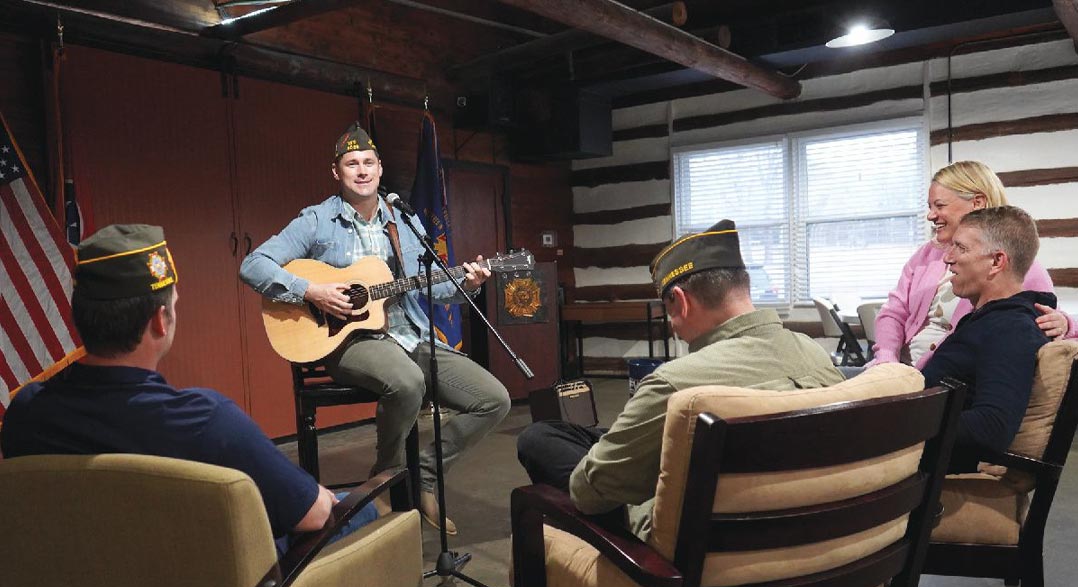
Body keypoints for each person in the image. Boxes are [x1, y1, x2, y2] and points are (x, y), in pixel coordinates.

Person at [1, 224, 374, 553]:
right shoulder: (207, 422)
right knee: (363, 509)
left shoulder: (26, 413)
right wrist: (325, 498)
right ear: (160, 321)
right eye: (173, 305)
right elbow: (313, 514)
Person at [240, 122, 510, 535]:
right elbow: (253, 264)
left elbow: (434, 286)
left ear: (381, 169)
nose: (362, 170)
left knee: (494, 399)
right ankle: (386, 479)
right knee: (407, 382)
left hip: (409, 335)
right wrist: (311, 291)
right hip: (348, 341)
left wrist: (466, 284)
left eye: (368, 162)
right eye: (352, 164)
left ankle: (423, 476)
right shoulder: (316, 221)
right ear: (337, 172)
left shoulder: (405, 221)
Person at [516, 220, 845, 539]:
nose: (672, 325)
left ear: (680, 300)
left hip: (689, 548)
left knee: (538, 439)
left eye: (667, 307)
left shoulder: (675, 385)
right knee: (574, 434)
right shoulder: (816, 355)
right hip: (808, 523)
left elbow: (590, 495)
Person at [872, 160, 1075, 369]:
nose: (930, 215)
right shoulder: (926, 254)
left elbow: (1054, 319)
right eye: (930, 207)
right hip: (897, 371)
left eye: (940, 205)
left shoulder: (1021, 267)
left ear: (977, 203)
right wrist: (886, 359)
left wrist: (1065, 324)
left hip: (938, 381)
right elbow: (893, 313)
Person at [921, 206, 1054, 472]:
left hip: (916, 475)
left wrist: (897, 423)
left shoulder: (1010, 329)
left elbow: (992, 426)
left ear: (996, 262)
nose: (948, 258)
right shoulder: (986, 320)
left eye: (961, 248)